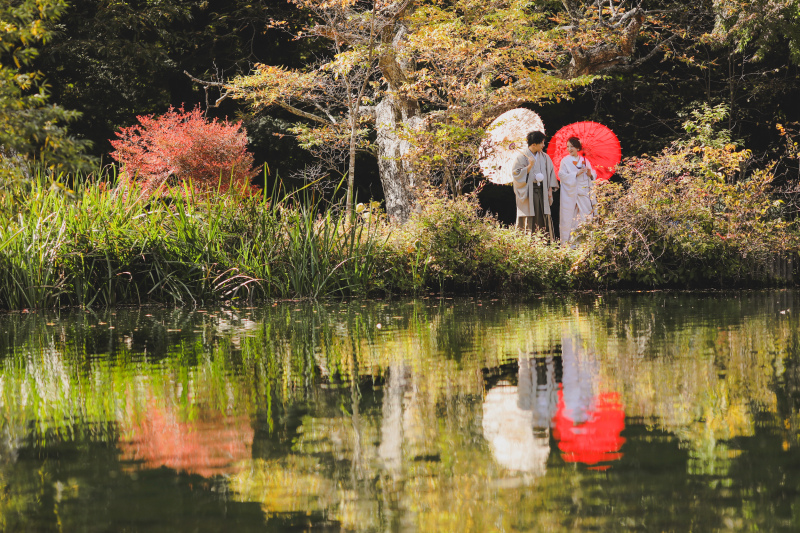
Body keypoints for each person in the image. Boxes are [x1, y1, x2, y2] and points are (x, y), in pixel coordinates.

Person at [511, 131, 558, 238]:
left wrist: (550, 190)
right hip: (529, 191)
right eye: (541, 143)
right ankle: (528, 243)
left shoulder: (545, 157)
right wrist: (529, 166)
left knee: (543, 215)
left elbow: (551, 173)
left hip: (543, 191)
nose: (543, 145)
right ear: (533, 145)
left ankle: (544, 241)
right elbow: (516, 174)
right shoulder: (521, 157)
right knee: (530, 216)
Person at [558, 136, 596, 247]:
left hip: (584, 191)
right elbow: (562, 175)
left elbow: (592, 174)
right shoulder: (565, 161)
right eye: (568, 147)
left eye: (572, 146)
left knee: (586, 215)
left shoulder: (585, 160)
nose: (570, 149)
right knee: (570, 217)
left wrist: (590, 174)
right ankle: (569, 244)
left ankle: (586, 243)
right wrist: (575, 174)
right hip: (570, 193)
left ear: (578, 147)